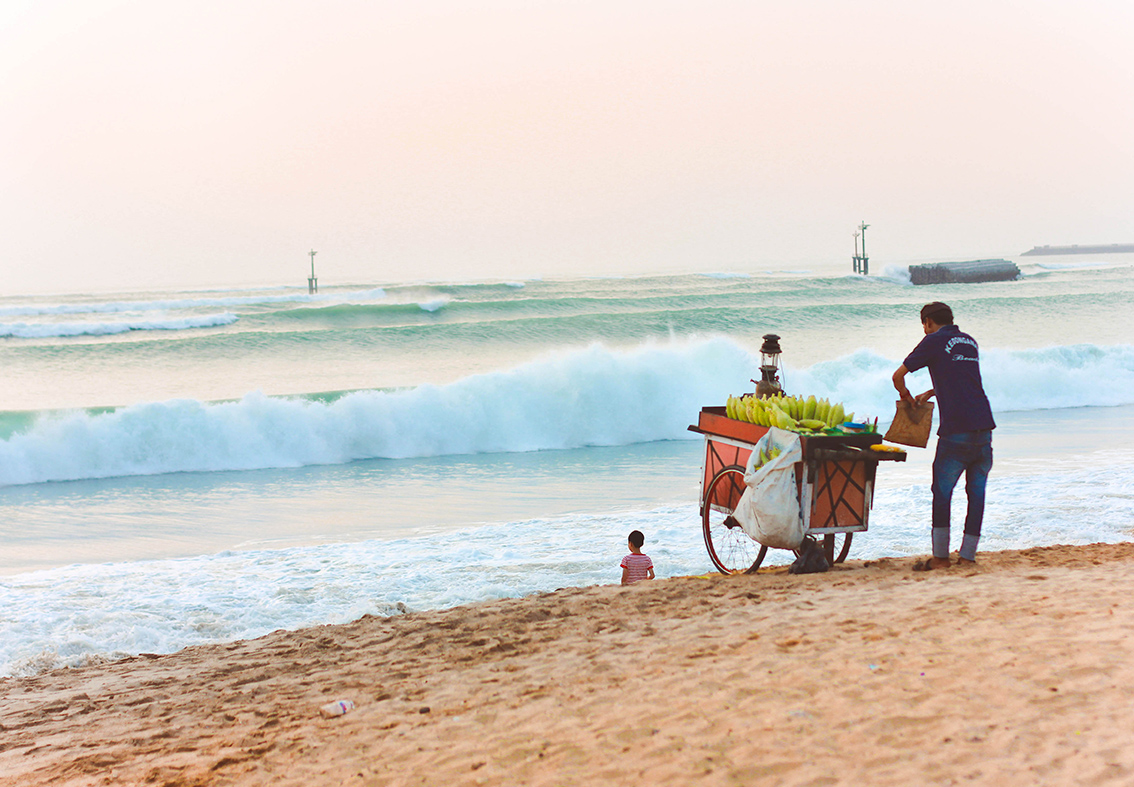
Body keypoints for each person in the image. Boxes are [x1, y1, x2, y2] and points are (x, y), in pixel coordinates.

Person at [892, 302, 995, 570]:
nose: (924, 330)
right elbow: (964, 380)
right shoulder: (969, 342)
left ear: (928, 322)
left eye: (924, 326)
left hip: (956, 429)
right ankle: (968, 556)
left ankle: (940, 558)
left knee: (942, 491)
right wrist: (931, 391)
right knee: (976, 493)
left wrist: (906, 396)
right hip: (984, 426)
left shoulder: (933, 340)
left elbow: (897, 376)